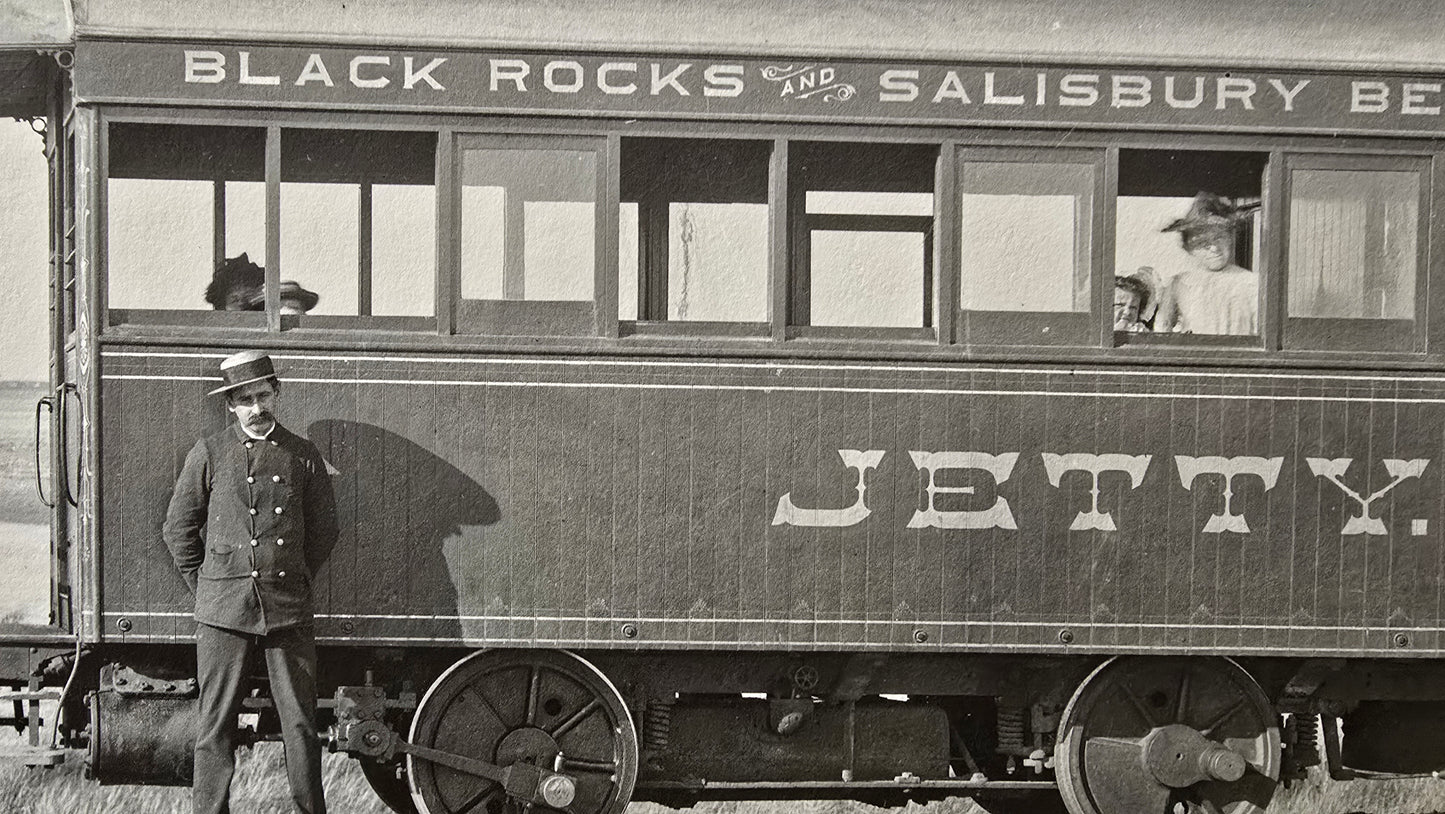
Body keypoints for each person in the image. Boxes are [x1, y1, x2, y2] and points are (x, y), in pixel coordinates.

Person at [162, 350, 337, 814]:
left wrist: (294, 576)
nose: (256, 407)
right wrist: (207, 587)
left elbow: (325, 530)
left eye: (263, 395)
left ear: (276, 394)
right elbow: (178, 528)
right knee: (214, 727)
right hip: (223, 610)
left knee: (300, 726)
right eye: (245, 399)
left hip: (287, 609)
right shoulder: (210, 451)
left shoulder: (303, 455)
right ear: (231, 405)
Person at [1153, 192, 1258, 335]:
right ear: (1188, 247)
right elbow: (1161, 329)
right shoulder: (1178, 284)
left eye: (1219, 237)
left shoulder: (1252, 283)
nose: (1214, 248)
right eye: (1203, 243)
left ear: (1231, 238)